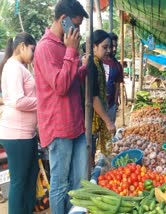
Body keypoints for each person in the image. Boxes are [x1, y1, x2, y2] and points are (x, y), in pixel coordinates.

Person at [33, 1, 89, 213]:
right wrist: (71, 52)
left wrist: (82, 67)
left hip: (76, 124)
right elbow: (61, 85)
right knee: (60, 184)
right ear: (63, 19)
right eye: (76, 25)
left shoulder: (65, 47)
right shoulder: (45, 48)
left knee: (79, 181)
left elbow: (71, 81)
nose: (78, 31)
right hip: (59, 127)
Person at [0, 33, 38, 214]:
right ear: (22, 46)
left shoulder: (20, 66)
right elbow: (18, 101)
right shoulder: (14, 67)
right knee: (19, 181)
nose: (34, 54)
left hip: (25, 134)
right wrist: (43, 102)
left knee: (30, 176)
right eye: (32, 50)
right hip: (16, 135)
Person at [90, 30, 116, 156]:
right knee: (90, 151)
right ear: (94, 47)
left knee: (92, 150)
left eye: (109, 47)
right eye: (104, 47)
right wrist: (108, 122)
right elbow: (94, 97)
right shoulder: (92, 65)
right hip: (89, 119)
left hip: (94, 118)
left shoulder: (99, 64)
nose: (108, 51)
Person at [102, 32, 124, 123]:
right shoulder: (98, 61)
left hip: (110, 105)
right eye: (112, 46)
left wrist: (115, 103)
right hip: (97, 104)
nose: (114, 49)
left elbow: (117, 86)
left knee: (109, 129)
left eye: (116, 46)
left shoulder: (117, 66)